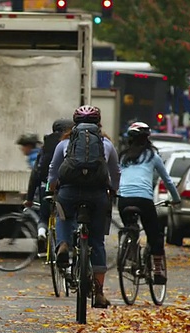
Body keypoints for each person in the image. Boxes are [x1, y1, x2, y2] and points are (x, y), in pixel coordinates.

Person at [47, 105, 121, 308]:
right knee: (97, 241)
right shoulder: (106, 144)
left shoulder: (65, 143)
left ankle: (63, 244)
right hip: (97, 195)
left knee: (64, 216)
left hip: (69, 191)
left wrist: (54, 188)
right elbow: (115, 171)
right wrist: (113, 190)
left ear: (74, 124)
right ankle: (98, 293)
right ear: (99, 123)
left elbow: (53, 169)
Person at [117, 121, 181, 285]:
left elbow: (116, 177)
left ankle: (130, 254)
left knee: (131, 227)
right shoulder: (153, 156)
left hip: (124, 200)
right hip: (144, 200)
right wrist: (176, 199)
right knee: (155, 235)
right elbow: (167, 181)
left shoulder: (123, 157)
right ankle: (158, 270)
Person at [24, 119, 75, 244]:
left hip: (46, 184)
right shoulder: (70, 144)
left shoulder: (45, 147)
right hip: (65, 186)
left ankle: (41, 232)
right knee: (68, 215)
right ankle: (69, 241)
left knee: (44, 214)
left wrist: (29, 198)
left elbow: (36, 172)